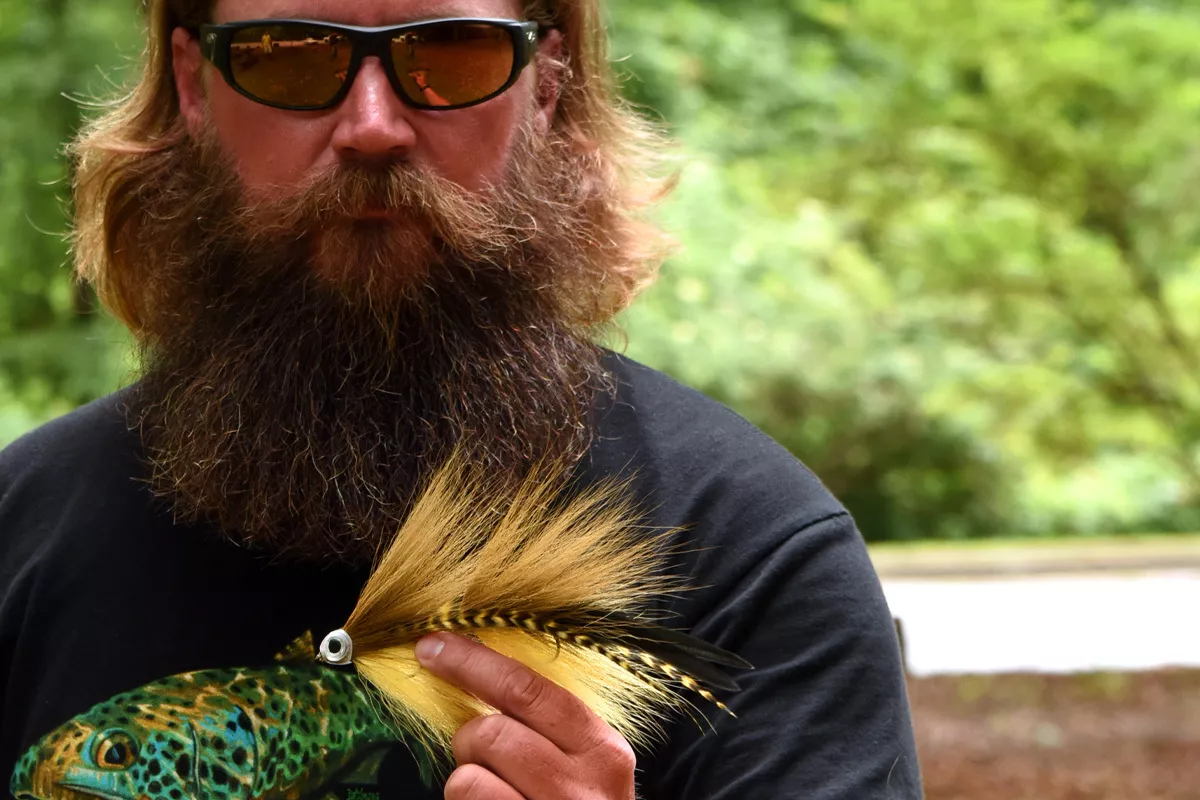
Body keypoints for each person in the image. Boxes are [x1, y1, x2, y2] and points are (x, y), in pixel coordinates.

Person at [0, 0, 923, 798]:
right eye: (291, 56)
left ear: (546, 80)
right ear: (195, 86)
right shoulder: (19, 535)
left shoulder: (753, 561)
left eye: (450, 54)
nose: (372, 124)